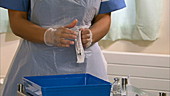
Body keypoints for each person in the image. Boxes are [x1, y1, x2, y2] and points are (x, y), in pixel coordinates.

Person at [0, 0, 126, 95]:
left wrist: (91, 35)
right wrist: (48, 35)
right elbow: (16, 21)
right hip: (38, 62)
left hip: (85, 62)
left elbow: (104, 17)